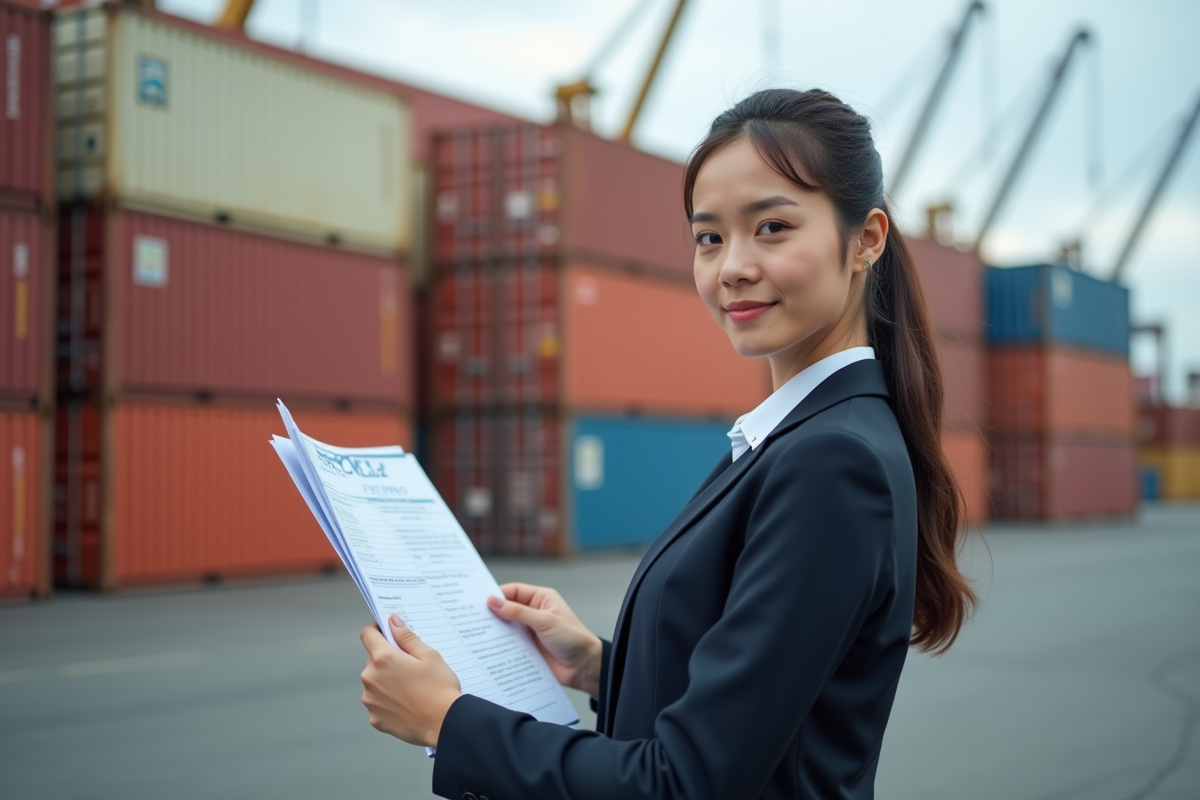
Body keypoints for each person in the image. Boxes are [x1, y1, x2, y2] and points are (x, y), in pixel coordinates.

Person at [358, 88, 978, 800]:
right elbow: (759, 707)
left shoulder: (831, 462)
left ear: (866, 239)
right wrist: (597, 663)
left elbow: (686, 783)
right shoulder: (804, 436)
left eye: (772, 227)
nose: (732, 267)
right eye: (709, 237)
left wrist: (448, 722)